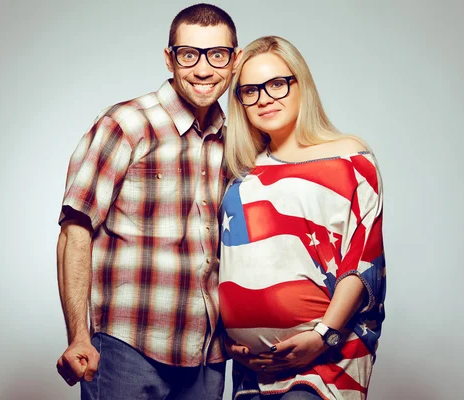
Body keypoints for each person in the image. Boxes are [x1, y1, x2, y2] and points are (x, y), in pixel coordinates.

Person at [55, 4, 242, 399]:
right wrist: (78, 336)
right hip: (129, 344)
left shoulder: (236, 142)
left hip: (208, 353)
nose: (204, 69)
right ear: (169, 58)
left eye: (218, 55)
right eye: (189, 54)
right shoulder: (126, 124)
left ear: (235, 60)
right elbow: (75, 232)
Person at [219, 36, 386, 400]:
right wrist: (227, 342)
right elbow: (226, 262)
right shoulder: (240, 174)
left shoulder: (349, 159)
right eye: (249, 90)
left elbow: (362, 260)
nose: (264, 98)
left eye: (277, 84)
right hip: (251, 369)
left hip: (324, 362)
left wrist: (323, 335)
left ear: (301, 84)